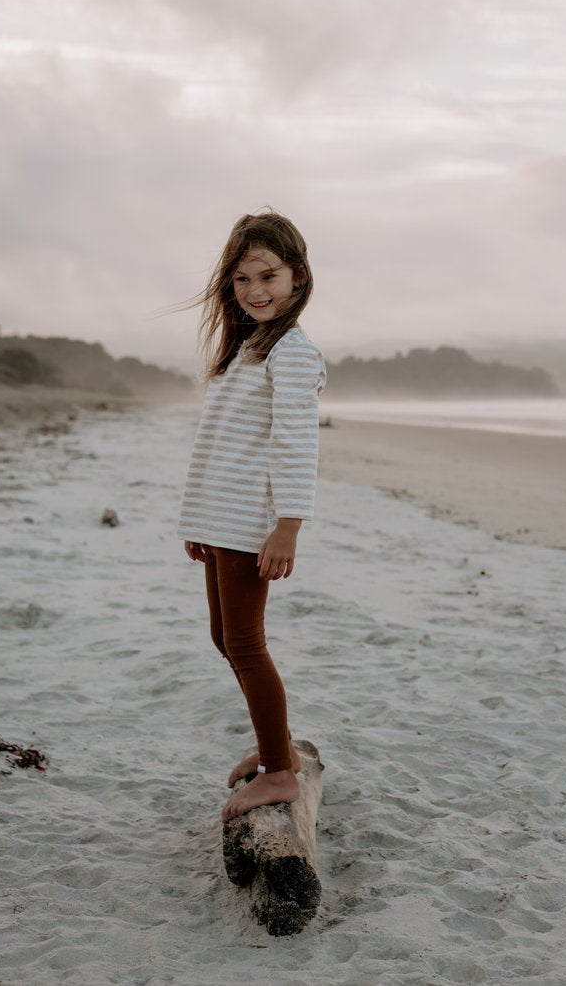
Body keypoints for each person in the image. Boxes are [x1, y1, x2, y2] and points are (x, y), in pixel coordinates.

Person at [178, 210, 326, 823]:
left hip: (251, 525)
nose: (255, 290)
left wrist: (288, 524)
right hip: (223, 519)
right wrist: (198, 520)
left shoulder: (291, 353)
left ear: (297, 277)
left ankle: (281, 773)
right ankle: (278, 746)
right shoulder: (246, 350)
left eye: (268, 274)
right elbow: (215, 442)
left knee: (245, 642)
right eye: (241, 279)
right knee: (225, 638)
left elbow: (295, 441)